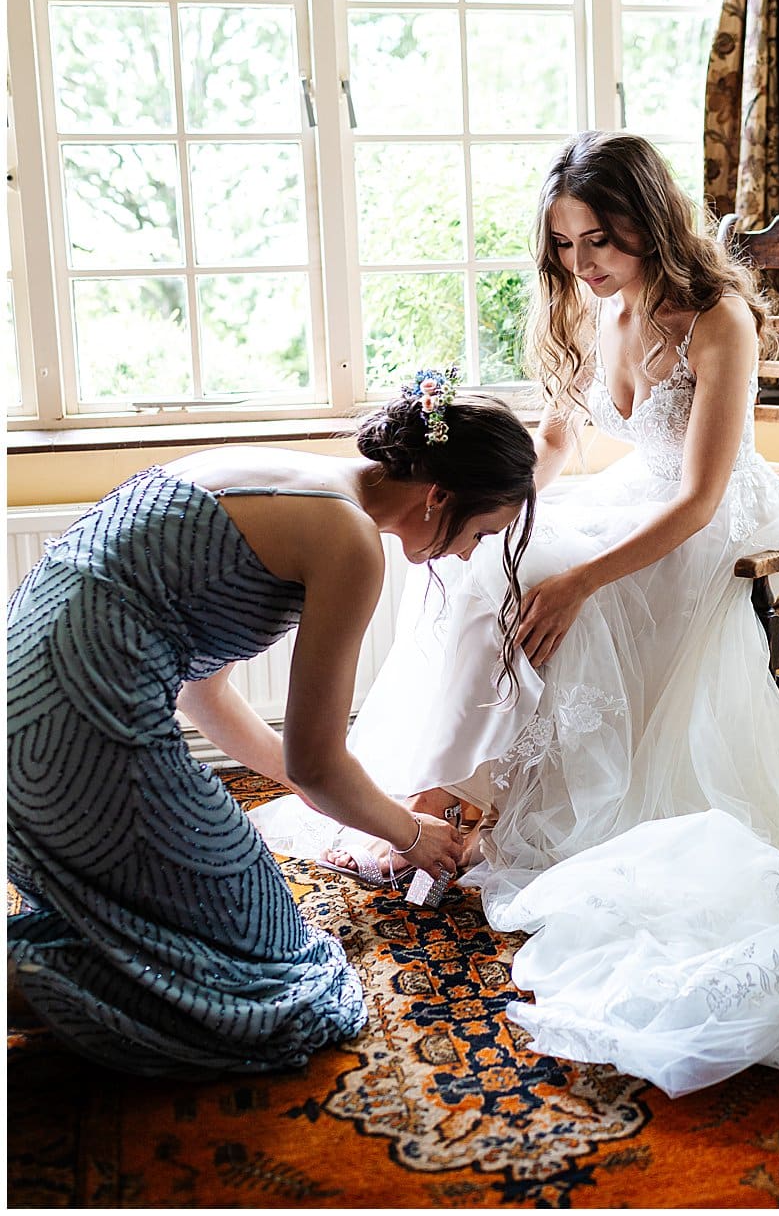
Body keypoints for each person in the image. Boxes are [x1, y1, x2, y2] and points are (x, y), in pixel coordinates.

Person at [253, 132, 779, 1097]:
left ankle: (517, 805)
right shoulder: (590, 310)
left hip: (709, 518)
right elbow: (556, 441)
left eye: (601, 242)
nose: (583, 266)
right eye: (565, 246)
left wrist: (581, 578)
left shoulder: (715, 322)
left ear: (648, 223)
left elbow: (703, 499)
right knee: (495, 559)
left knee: (570, 590)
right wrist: (517, 508)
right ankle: (450, 790)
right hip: (634, 495)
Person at [6, 378, 537, 1076]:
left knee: (193, 924)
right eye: (480, 532)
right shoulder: (348, 541)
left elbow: (204, 695)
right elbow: (317, 762)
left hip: (21, 718)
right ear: (438, 495)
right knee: (283, 982)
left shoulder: (282, 470)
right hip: (80, 735)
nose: (468, 553)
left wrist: (343, 796)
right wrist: (414, 834)